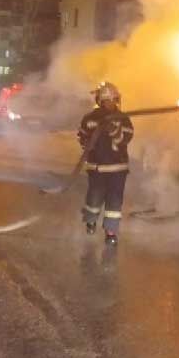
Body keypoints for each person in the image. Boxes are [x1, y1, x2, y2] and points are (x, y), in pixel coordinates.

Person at [77, 82, 134, 245]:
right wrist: (87, 144)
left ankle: (111, 231)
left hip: (117, 169)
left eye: (114, 100)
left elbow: (126, 138)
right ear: (102, 101)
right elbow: (82, 136)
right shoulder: (90, 118)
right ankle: (90, 220)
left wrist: (113, 130)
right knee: (94, 198)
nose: (112, 103)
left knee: (114, 201)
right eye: (109, 100)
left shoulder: (123, 119)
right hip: (97, 168)